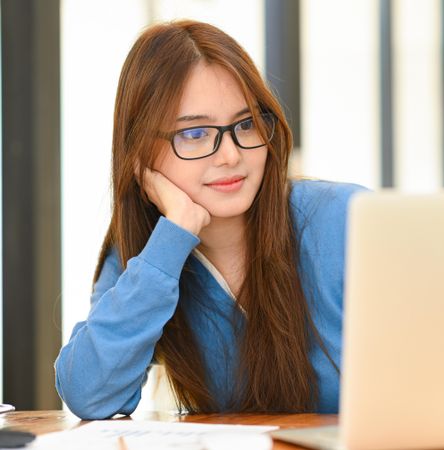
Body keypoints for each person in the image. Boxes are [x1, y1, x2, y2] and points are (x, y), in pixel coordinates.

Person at [55, 19, 366, 419]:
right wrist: (175, 236)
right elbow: (89, 393)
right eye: (196, 133)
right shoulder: (152, 253)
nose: (231, 155)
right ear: (140, 155)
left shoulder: (343, 219)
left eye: (247, 124)